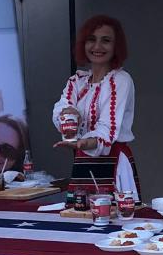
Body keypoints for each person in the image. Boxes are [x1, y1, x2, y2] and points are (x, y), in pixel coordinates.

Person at [52, 15, 140, 200]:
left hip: (113, 162)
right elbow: (62, 110)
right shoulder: (77, 81)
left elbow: (107, 128)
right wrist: (67, 116)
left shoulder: (120, 80)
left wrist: (84, 143)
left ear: (116, 46)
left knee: (116, 212)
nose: (97, 46)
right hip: (83, 161)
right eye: (91, 39)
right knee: (80, 211)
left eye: (106, 40)